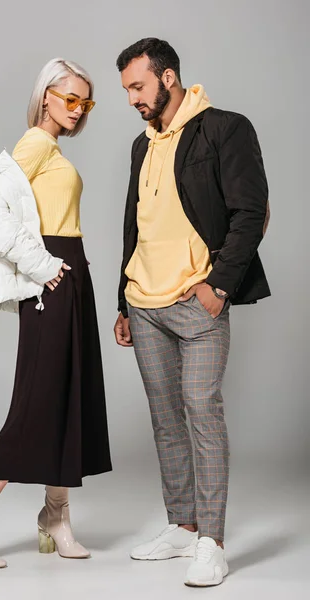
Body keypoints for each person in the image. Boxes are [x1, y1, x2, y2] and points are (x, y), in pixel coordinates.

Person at [114, 38, 270, 587]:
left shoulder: (225, 128)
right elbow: (137, 226)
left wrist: (219, 287)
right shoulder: (142, 143)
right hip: (145, 304)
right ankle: (182, 525)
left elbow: (253, 212)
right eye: (127, 89)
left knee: (202, 412)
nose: (132, 98)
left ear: (169, 77)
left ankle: (212, 542)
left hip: (196, 302)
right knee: (165, 419)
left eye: (138, 86)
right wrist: (123, 300)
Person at [0, 58, 112, 569]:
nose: (78, 109)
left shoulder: (54, 149)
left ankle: (55, 516)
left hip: (73, 275)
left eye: (85, 102)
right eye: (69, 98)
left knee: (70, 395)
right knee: (37, 400)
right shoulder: (35, 143)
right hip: (53, 279)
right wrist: (42, 265)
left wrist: (68, 269)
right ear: (46, 96)